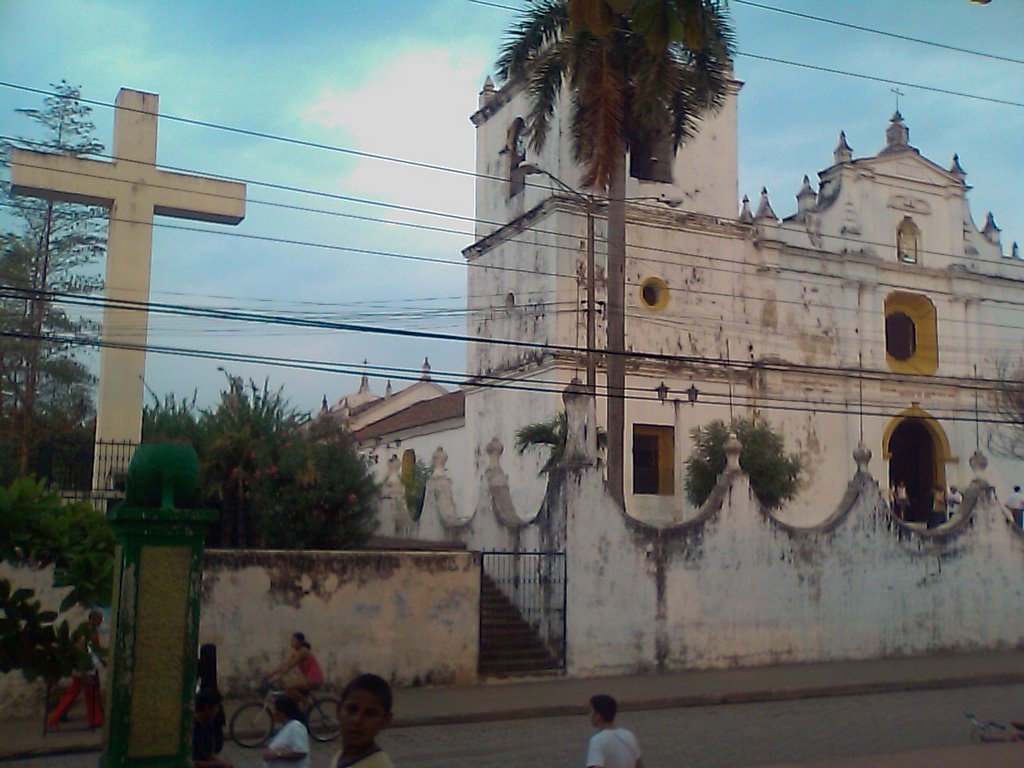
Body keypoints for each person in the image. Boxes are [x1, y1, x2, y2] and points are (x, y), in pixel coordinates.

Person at [47, 608, 105, 728]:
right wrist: (100, 660)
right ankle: (95, 720)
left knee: (73, 692)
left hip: (79, 667)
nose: (101, 621)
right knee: (90, 694)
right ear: (94, 619)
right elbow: (90, 650)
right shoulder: (90, 632)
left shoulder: (82, 629)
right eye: (99, 619)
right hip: (86, 667)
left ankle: (56, 717)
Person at [330, 673, 395, 768]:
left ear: (386, 720)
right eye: (351, 709)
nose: (357, 720)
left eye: (370, 714)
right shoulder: (340, 757)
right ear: (338, 711)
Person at [586, 694, 643, 768]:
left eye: (591, 711)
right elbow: (639, 765)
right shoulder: (629, 735)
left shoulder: (597, 741)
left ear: (598, 715)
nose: (589, 715)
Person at [267, 632, 324, 702]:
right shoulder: (296, 652)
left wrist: (277, 677)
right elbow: (285, 664)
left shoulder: (303, 651)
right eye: (291, 640)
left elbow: (290, 666)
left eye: (294, 640)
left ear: (300, 642)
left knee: (288, 687)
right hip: (307, 678)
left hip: (314, 679)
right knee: (290, 693)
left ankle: (306, 702)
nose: (291, 642)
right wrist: (271, 674)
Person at [261, 695, 310, 768]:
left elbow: (301, 752)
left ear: (283, 713)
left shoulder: (295, 727)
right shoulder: (285, 727)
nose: (274, 714)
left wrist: (277, 754)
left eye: (276, 711)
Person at [193, 688, 233, 768]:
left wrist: (212, 758)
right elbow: (193, 762)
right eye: (216, 707)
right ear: (207, 708)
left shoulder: (207, 723)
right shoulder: (193, 729)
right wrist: (219, 763)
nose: (217, 711)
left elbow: (212, 741)